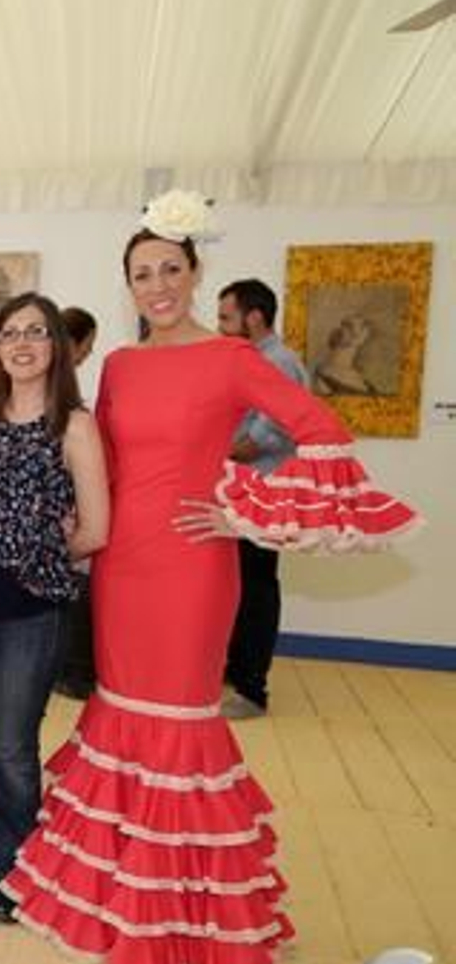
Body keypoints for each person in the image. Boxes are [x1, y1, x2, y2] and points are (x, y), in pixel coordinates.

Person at [1, 193, 420, 964]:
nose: (156, 285)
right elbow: (111, 466)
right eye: (140, 274)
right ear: (126, 285)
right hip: (123, 564)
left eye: (169, 269)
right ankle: (112, 899)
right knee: (119, 713)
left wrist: (244, 510)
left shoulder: (233, 359)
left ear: (195, 273)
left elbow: (321, 429)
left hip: (195, 567)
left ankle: (185, 916)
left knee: (179, 725)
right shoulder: (119, 364)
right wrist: (80, 534)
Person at [0, 294, 109, 924]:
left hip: (31, 604)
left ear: (56, 346)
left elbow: (96, 529)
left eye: (36, 332)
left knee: (11, 747)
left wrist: (41, 545)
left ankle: (14, 871)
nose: (22, 343)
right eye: (10, 333)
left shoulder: (75, 425)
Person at [217, 279, 306, 719]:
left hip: (264, 493)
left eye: (226, 318)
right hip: (244, 493)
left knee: (255, 589)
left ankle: (252, 689)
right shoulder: (252, 359)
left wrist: (207, 449)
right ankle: (235, 672)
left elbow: (265, 435)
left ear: (254, 317)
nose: (220, 327)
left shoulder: (278, 362)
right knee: (236, 586)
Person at [52, 305, 100, 701]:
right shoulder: (67, 407)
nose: (86, 354)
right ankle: (76, 673)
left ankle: (74, 672)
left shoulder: (74, 411)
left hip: (74, 525)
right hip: (67, 522)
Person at [311, 315, 382, 396]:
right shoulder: (325, 373)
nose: (342, 329)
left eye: (349, 326)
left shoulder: (361, 378)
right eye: (345, 325)